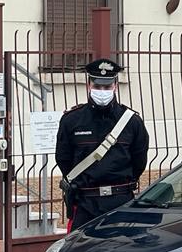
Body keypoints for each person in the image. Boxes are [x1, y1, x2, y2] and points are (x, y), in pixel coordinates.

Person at [55, 58, 150, 231]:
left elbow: (139, 162)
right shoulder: (71, 120)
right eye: (98, 86)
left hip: (120, 201)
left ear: (115, 86)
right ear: (89, 86)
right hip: (85, 203)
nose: (102, 91)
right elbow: (63, 159)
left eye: (107, 87)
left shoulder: (131, 122)